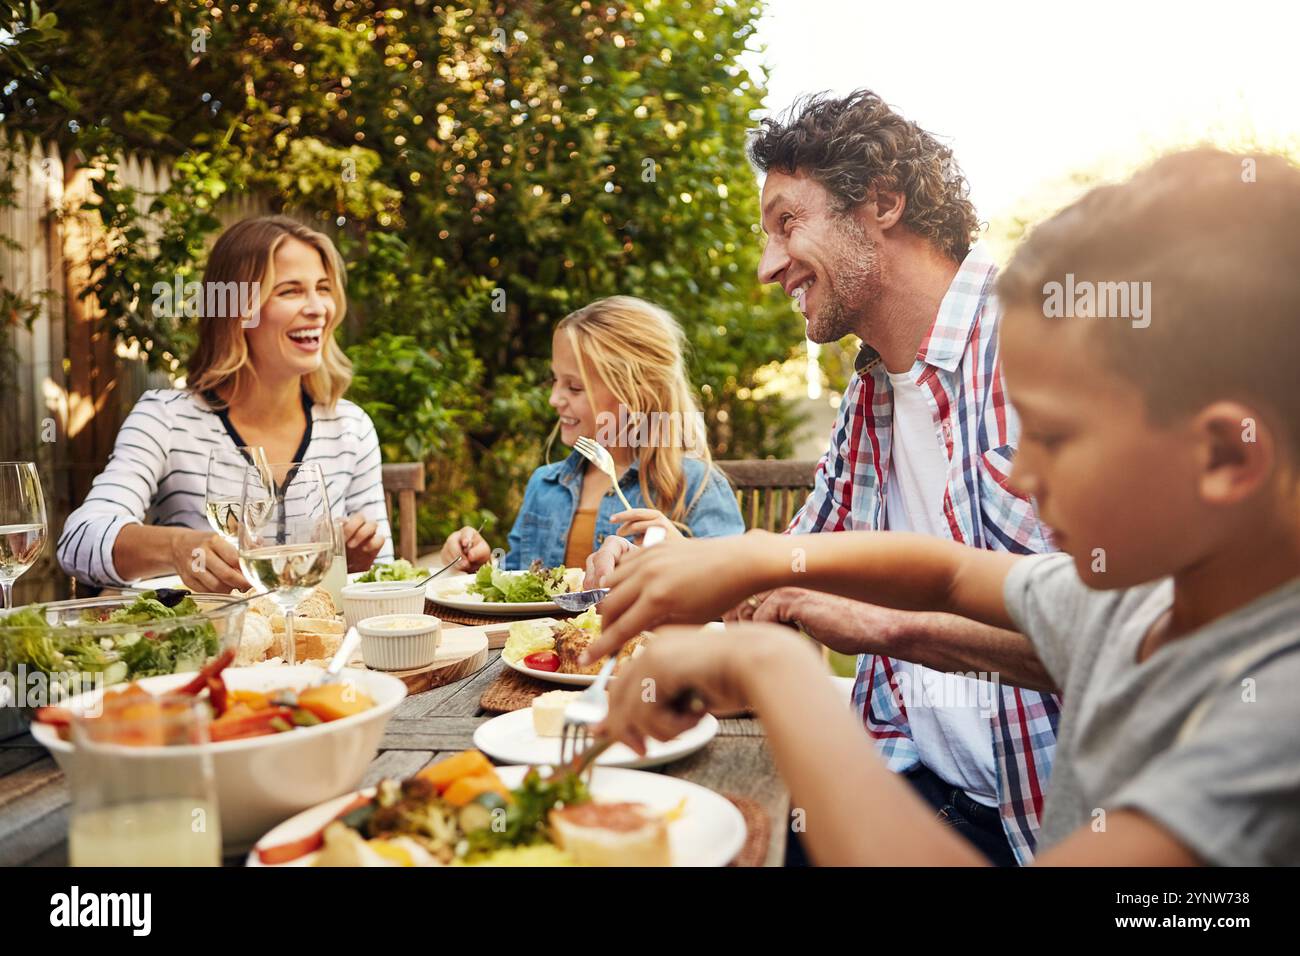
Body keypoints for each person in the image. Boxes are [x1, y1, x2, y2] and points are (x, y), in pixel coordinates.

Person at [589, 149, 1300, 866]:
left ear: (1227, 458)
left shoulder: (1275, 717)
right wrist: (750, 556)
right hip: (913, 776)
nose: (1021, 469)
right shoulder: (1139, 603)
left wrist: (772, 667)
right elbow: (952, 573)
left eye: (1049, 437)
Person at [586, 90, 1058, 865]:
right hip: (904, 772)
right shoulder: (869, 395)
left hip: (1036, 828)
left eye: (786, 222)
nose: (769, 266)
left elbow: (1108, 637)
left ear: (882, 201)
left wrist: (884, 627)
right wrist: (675, 558)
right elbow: (786, 574)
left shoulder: (1044, 347)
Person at [58, 215, 393, 592]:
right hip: (212, 645)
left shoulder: (350, 427)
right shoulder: (167, 418)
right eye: (290, 291)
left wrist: (354, 561)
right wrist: (177, 547)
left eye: (323, 288)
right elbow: (79, 541)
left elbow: (385, 577)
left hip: (324, 648)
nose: (318, 308)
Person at [444, 296, 744, 573]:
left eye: (574, 387)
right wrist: (480, 566)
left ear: (635, 395)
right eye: (555, 380)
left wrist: (681, 558)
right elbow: (517, 581)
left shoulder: (695, 486)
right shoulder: (544, 486)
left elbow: (736, 593)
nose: (554, 398)